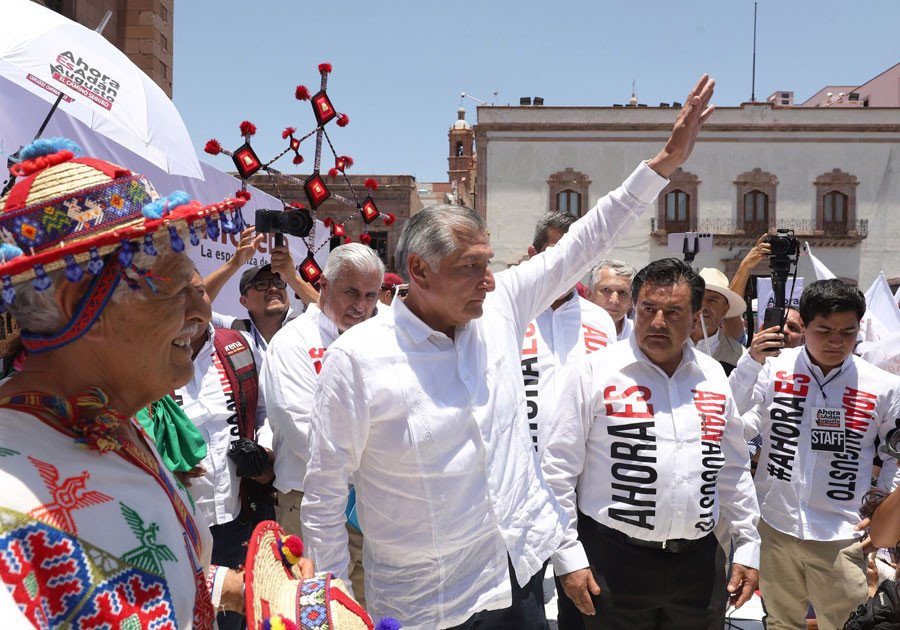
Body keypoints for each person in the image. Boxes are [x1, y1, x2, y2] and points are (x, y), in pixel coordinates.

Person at [300, 75, 717, 629]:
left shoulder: (498, 311)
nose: (489, 280)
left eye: (489, 262)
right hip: (425, 603)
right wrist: (327, 610)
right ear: (419, 270)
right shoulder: (357, 359)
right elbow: (324, 494)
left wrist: (663, 164)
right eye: (471, 267)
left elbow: (584, 242)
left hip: (516, 578)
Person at [0, 138, 261, 626]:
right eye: (177, 287)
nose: (203, 311)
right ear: (77, 302)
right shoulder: (11, 497)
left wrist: (236, 589)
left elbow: (124, 575)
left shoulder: (107, 420)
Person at [543, 258, 760, 629]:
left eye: (673, 312)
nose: (658, 322)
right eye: (648, 309)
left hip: (698, 568)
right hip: (608, 565)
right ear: (635, 309)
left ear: (695, 318)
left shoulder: (712, 376)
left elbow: (733, 468)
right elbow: (557, 470)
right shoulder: (595, 372)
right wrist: (568, 558)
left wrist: (748, 544)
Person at [730, 279, 900, 630]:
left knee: (848, 625)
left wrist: (881, 506)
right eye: (824, 331)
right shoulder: (772, 367)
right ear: (804, 326)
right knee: (781, 622)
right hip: (775, 524)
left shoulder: (884, 386)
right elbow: (730, 417)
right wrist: (750, 361)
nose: (836, 341)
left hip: (842, 533)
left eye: (847, 332)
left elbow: (894, 456)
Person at [262, 242, 385, 607]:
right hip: (309, 501)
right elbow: (301, 429)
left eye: (370, 295)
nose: (361, 305)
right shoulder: (293, 342)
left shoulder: (377, 339)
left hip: (368, 502)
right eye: (351, 292)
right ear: (325, 285)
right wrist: (375, 462)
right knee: (316, 607)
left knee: (364, 609)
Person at [521, 212, 617, 629]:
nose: (567, 265)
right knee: (519, 609)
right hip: (519, 489)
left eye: (577, 256)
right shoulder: (509, 314)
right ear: (534, 254)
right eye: (557, 253)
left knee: (582, 608)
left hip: (584, 489)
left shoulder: (600, 322)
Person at [174, 269, 273, 629]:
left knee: (234, 620)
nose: (192, 305)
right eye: (179, 296)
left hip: (235, 521)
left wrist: (264, 451)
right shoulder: (147, 358)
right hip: (178, 528)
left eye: (199, 292)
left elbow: (264, 410)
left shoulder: (237, 345)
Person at [205, 226, 319, 365]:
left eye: (279, 282)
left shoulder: (303, 327)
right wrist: (234, 263)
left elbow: (330, 315)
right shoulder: (233, 329)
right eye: (261, 284)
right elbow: (191, 305)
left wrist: (292, 278)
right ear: (244, 301)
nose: (273, 288)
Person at [691, 267, 747, 373]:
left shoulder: (739, 357)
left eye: (712, 300)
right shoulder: (669, 346)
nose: (703, 306)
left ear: (725, 309)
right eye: (699, 298)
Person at [588, 259, 636, 341]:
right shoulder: (572, 328)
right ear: (589, 294)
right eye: (606, 290)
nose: (614, 300)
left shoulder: (640, 336)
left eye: (623, 292)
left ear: (631, 301)